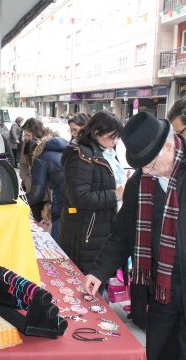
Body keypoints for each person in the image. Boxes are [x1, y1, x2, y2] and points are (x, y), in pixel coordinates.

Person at [84, 112, 186, 360]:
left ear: (170, 147)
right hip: (162, 291)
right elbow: (121, 234)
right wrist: (99, 272)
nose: (147, 171)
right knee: (159, 352)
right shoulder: (139, 182)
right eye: (142, 166)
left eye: (151, 164)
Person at [59, 111, 124, 274]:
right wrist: (115, 195)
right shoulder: (81, 156)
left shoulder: (106, 153)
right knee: (86, 286)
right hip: (85, 235)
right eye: (111, 137)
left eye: (117, 138)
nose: (115, 142)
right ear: (96, 132)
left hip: (101, 231)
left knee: (96, 284)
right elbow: (79, 197)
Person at [24, 134, 67, 241]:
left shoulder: (41, 159)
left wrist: (20, 201)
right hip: (75, 204)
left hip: (61, 205)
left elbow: (36, 195)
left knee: (55, 245)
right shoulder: (66, 153)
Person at [19, 118, 47, 221]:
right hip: (29, 188)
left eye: (28, 135)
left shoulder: (45, 144)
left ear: (36, 134)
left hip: (44, 193)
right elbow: (23, 165)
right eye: (24, 135)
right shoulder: (25, 143)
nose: (26, 138)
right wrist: (27, 180)